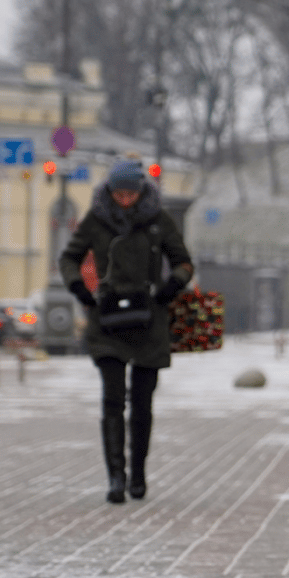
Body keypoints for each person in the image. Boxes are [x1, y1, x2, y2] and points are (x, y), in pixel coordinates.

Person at [60, 160, 194, 504]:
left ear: (140, 191)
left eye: (130, 193)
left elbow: (183, 261)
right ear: (109, 191)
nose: (124, 199)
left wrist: (171, 287)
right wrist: (80, 291)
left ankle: (138, 473)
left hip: (150, 318)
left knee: (143, 403)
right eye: (119, 193)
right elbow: (69, 258)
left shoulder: (158, 220)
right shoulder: (96, 219)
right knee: (112, 400)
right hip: (107, 321)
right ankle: (115, 477)